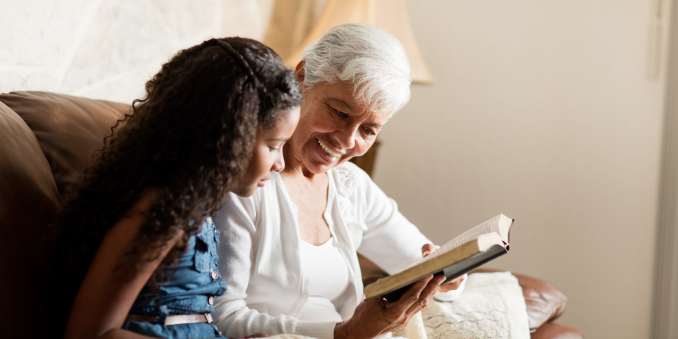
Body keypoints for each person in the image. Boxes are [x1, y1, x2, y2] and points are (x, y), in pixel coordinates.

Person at [214, 24, 466, 339]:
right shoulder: (247, 180)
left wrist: (449, 275)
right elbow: (221, 318)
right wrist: (342, 333)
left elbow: (428, 268)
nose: (347, 141)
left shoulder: (351, 186)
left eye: (368, 130)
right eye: (340, 113)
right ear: (302, 77)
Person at [53, 37, 301, 339]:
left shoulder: (196, 209)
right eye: (274, 146)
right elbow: (92, 333)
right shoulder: (158, 212)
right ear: (231, 137)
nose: (279, 164)